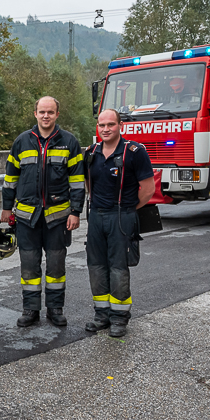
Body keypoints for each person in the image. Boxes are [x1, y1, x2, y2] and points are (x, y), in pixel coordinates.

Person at [2, 96, 85, 327]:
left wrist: (76, 211)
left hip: (58, 218)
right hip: (26, 218)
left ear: (57, 114)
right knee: (29, 265)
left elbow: (78, 181)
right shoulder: (21, 141)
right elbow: (10, 178)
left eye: (50, 112)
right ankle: (30, 309)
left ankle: (55, 309)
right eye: (42, 112)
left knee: (56, 265)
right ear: (35, 114)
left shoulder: (69, 142)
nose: (46, 116)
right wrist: (6, 208)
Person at [84, 108, 155, 338]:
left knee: (118, 268)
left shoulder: (134, 152)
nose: (105, 129)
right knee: (96, 266)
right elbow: (88, 184)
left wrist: (127, 209)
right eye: (101, 125)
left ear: (120, 125)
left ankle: (119, 317)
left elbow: (148, 189)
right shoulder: (91, 152)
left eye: (110, 125)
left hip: (121, 216)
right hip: (96, 215)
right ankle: (101, 315)